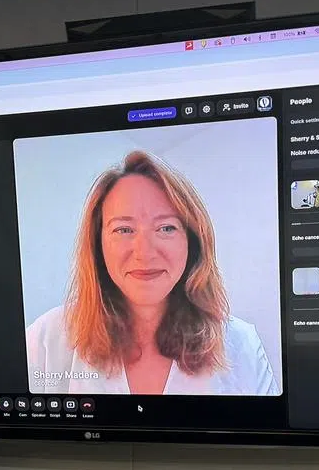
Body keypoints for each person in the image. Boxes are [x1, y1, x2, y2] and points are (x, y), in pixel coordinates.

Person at [26, 150, 279, 396]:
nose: (144, 253)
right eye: (124, 230)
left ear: (192, 242)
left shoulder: (241, 345)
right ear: (97, 244)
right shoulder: (46, 339)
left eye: (166, 228)